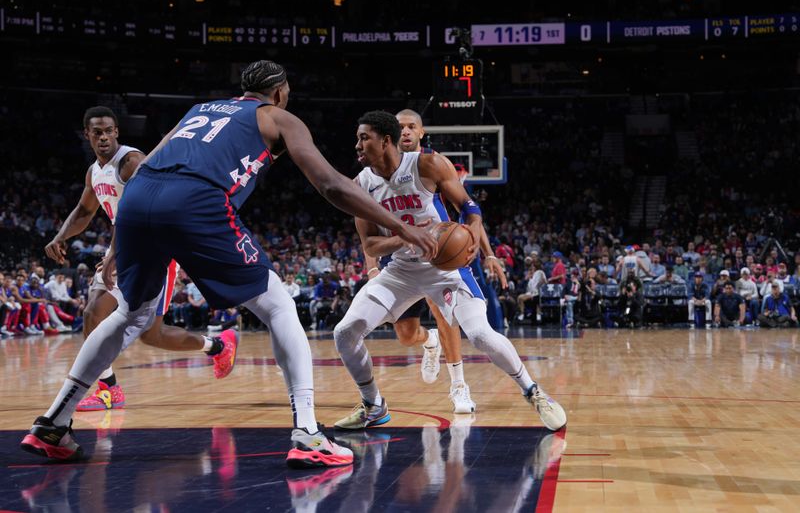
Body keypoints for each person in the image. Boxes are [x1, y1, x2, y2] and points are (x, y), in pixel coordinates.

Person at [21, 60, 435, 467]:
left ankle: (53, 423)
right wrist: (404, 226)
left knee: (131, 314)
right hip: (193, 200)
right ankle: (308, 434)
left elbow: (146, 168)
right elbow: (330, 185)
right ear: (279, 92)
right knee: (277, 305)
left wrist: (117, 245)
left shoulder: (199, 110)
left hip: (137, 201)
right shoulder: (278, 118)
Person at [333, 111, 565, 432]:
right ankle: (373, 405)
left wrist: (473, 237)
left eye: (364, 138)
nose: (357, 144)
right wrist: (404, 235)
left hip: (443, 267)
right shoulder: (360, 185)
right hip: (401, 270)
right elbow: (371, 246)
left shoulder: (427, 165)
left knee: (481, 335)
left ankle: (533, 390)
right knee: (344, 333)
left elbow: (469, 207)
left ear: (385, 141)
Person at [42, 106, 237, 412]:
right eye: (97, 132)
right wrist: (59, 237)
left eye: (108, 131)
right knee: (92, 313)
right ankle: (109, 388)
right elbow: (83, 211)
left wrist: (115, 254)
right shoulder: (95, 171)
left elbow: (139, 209)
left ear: (117, 132)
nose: (104, 137)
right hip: (122, 249)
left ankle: (218, 345)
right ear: (87, 136)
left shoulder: (132, 162)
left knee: (152, 335)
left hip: (155, 249)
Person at [360, 109, 508, 415]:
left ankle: (458, 386)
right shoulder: (373, 172)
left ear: (421, 132)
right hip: (399, 259)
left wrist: (488, 253)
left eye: (411, 127)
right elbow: (367, 226)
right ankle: (428, 342)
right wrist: (371, 265)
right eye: (400, 127)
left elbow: (467, 212)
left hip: (438, 252)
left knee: (446, 317)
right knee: (405, 335)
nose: (405, 132)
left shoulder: (432, 163)